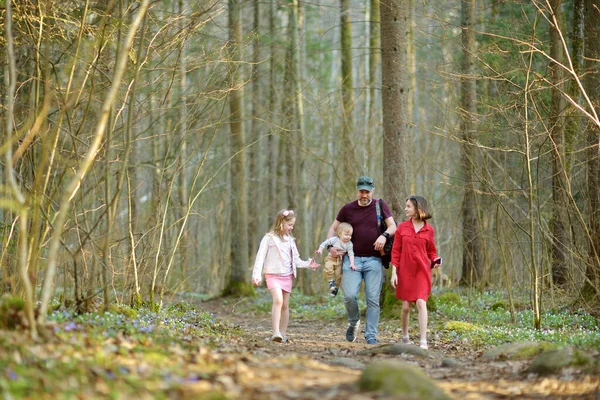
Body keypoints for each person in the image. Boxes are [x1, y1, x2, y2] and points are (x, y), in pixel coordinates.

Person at [326, 176, 396, 344]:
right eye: (361, 191)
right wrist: (330, 247)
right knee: (349, 295)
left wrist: (384, 236)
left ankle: (371, 335)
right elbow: (333, 228)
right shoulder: (347, 209)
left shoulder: (380, 206)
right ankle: (354, 321)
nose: (364, 195)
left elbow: (393, 226)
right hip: (352, 260)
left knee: (373, 299)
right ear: (357, 191)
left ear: (372, 191)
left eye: (367, 192)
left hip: (374, 260)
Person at [252, 209, 320, 343]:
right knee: (278, 300)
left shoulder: (290, 241)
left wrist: (308, 264)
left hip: (287, 276)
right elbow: (260, 257)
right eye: (290, 225)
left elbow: (296, 259)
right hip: (272, 275)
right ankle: (275, 332)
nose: (292, 227)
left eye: (293, 225)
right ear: (281, 223)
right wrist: (256, 275)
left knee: (285, 305)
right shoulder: (269, 238)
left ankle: (282, 334)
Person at [390, 195, 441, 350]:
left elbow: (431, 251)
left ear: (418, 209)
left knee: (420, 302)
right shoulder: (402, 228)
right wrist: (394, 272)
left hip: (422, 271)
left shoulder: (429, 229)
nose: (405, 209)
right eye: (406, 206)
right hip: (405, 270)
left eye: (408, 206)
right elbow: (396, 251)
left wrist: (436, 259)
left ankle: (423, 340)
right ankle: (405, 337)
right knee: (405, 307)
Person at [315, 222, 355, 297]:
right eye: (346, 235)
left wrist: (352, 263)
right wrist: (320, 249)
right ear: (339, 233)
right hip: (331, 258)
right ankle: (331, 282)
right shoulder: (334, 240)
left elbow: (351, 254)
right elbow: (325, 243)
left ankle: (336, 288)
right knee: (328, 268)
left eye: (350, 235)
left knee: (338, 275)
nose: (348, 237)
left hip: (339, 261)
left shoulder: (349, 244)